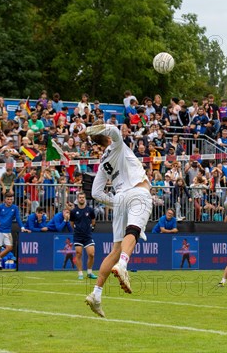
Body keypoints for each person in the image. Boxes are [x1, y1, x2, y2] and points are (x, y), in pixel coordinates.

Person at [85, 122, 153, 318]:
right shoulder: (117, 144)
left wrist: (115, 202)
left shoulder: (103, 162)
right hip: (138, 192)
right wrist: (89, 130)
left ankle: (96, 294)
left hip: (121, 197)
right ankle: (123, 265)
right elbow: (114, 130)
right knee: (134, 232)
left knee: (115, 249)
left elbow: (95, 192)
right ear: (107, 139)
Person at [0, 193, 30, 270]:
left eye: (11, 199)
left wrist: (22, 227)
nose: (10, 201)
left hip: (7, 231)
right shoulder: (0, 207)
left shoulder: (15, 208)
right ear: (5, 200)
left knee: (9, 248)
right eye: (8, 199)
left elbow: (18, 218)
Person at [70, 192, 97, 280]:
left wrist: (91, 228)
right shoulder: (74, 211)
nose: (81, 199)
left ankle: (89, 272)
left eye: (83, 197)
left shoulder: (90, 210)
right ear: (77, 199)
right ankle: (80, 273)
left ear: (85, 199)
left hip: (88, 236)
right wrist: (77, 230)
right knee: (78, 253)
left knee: (91, 254)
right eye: (80, 197)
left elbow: (93, 221)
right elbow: (72, 223)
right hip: (78, 236)